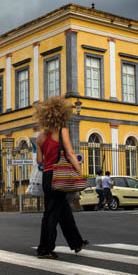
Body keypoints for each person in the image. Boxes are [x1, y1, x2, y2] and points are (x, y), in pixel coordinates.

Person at [34, 96, 88, 259]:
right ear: (61, 114)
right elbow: (71, 154)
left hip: (47, 176)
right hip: (58, 175)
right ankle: (44, 249)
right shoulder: (62, 130)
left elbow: (39, 161)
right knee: (51, 213)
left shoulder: (40, 137)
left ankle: (77, 243)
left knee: (63, 211)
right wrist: (79, 172)